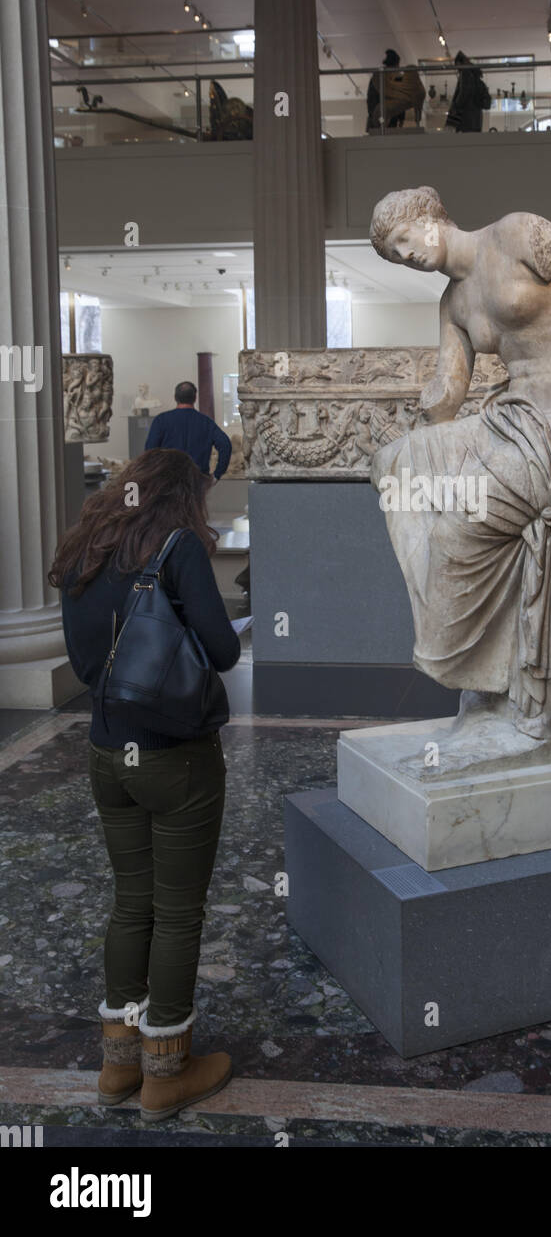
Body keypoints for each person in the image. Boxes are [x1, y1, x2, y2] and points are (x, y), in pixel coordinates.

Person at [368, 186, 551, 737]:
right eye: (396, 257)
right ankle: (486, 664)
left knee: (462, 524)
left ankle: (508, 673)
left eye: (403, 241)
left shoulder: (520, 233)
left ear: (429, 218)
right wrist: (429, 447)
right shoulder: (453, 304)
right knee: (396, 464)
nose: (407, 256)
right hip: (518, 417)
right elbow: (448, 393)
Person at [49, 448, 241, 1121]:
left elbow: (82, 658)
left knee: (131, 905)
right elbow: (222, 651)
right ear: (181, 498)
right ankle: (167, 1070)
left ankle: (117, 1063)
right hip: (176, 757)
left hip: (107, 752)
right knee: (177, 913)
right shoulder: (177, 547)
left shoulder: (84, 547)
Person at [145, 381, 232, 483]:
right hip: (197, 480)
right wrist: (217, 474)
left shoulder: (161, 420)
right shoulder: (206, 422)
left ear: (175, 397)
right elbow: (225, 445)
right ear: (195, 398)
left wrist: (154, 475)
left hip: (168, 479)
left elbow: (150, 450)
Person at [445, 52, 491, 133]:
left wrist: (455, 106)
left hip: (467, 117)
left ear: (459, 63)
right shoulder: (475, 74)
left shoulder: (465, 73)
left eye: (457, 65)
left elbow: (463, 94)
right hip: (476, 117)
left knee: (465, 141)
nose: (457, 69)